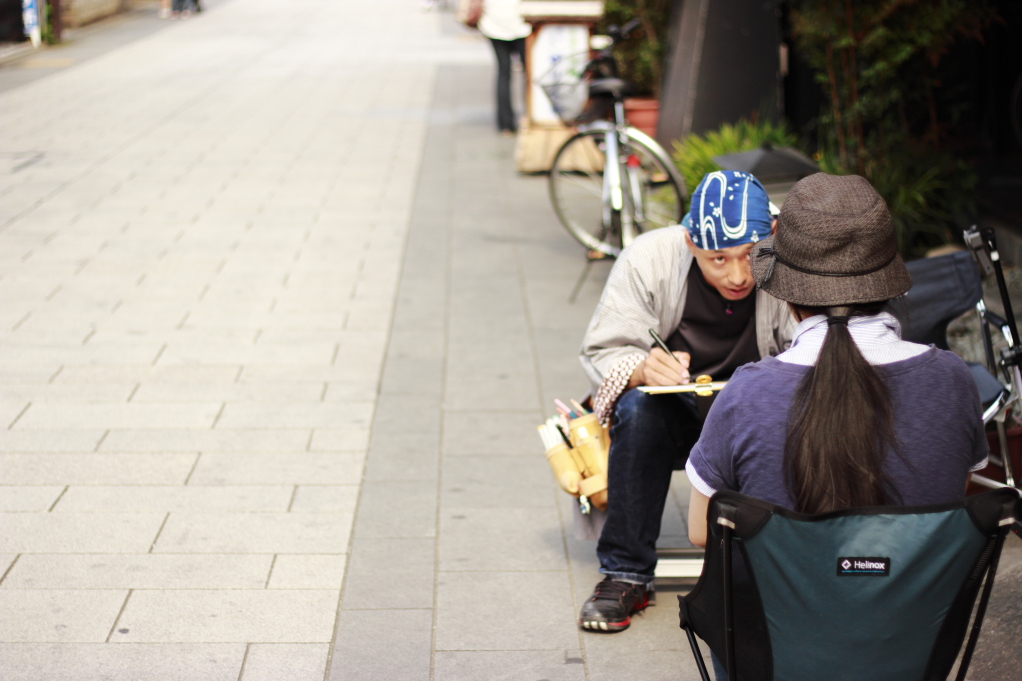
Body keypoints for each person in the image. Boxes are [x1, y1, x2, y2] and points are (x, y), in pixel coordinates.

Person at [684, 173, 988, 680]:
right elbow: (943, 503)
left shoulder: (748, 391)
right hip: (908, 648)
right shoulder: (952, 381)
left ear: (785, 293)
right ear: (887, 283)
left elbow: (701, 532)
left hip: (775, 656)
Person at [577, 170, 796, 633]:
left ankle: (786, 564)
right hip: (674, 414)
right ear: (690, 242)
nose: (737, 275)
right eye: (718, 259)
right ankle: (625, 572)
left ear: (771, 236)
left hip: (758, 409)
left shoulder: (790, 259)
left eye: (750, 257)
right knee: (637, 410)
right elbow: (603, 348)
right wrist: (640, 368)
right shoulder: (649, 257)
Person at [477, 0, 531, 134]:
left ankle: (505, 125)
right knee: (529, 74)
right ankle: (531, 117)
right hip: (520, 23)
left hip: (494, 23)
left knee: (503, 73)